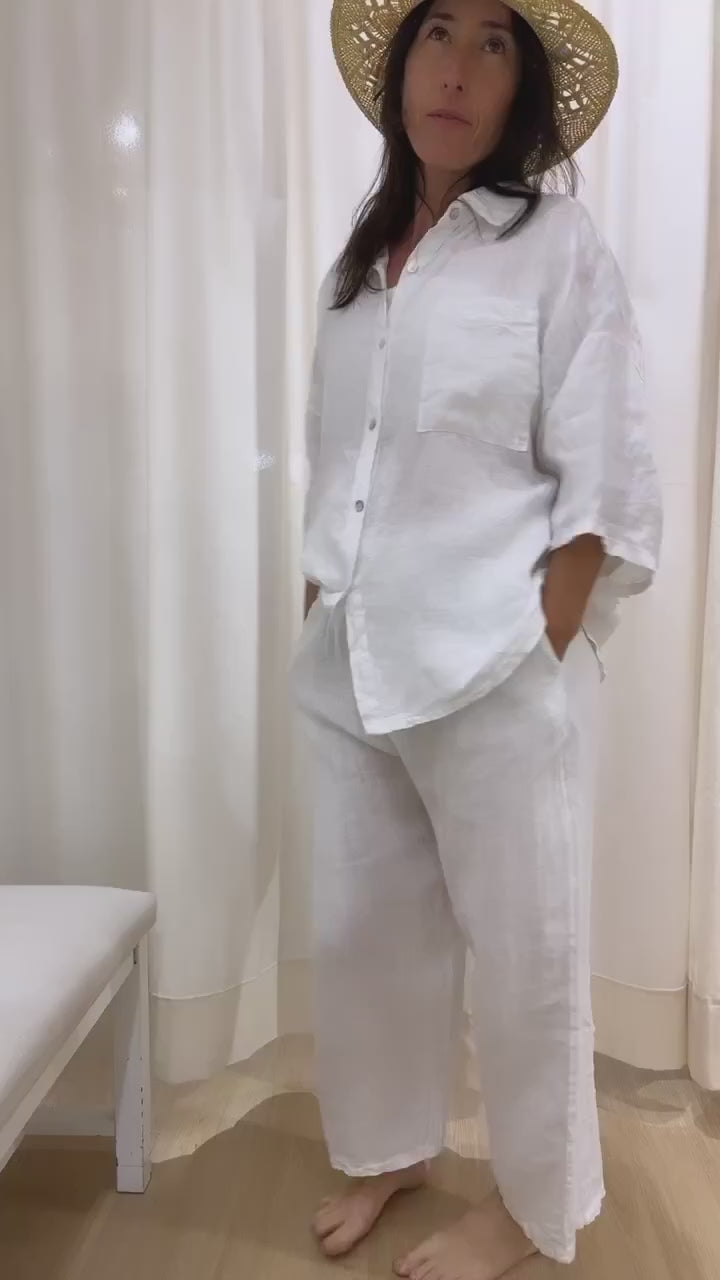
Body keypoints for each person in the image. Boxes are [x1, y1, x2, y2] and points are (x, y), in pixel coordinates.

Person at [293, 1, 662, 1276]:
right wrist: (316, 594)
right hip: (352, 655)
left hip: (497, 660)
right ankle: (392, 1145)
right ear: (401, 68)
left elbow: (606, 465)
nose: (456, 69)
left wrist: (543, 639)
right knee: (366, 930)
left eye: (494, 45)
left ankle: (531, 1205)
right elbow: (342, 456)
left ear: (522, 92)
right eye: (438, 34)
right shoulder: (359, 267)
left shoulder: (556, 249)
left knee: (529, 956)